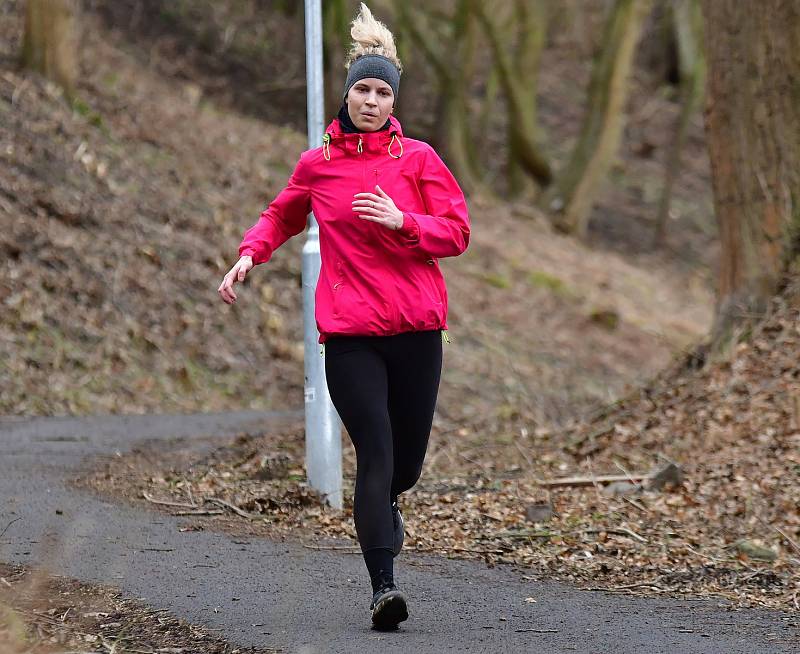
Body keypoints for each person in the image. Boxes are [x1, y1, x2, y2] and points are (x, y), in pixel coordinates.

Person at [217, 2, 470, 630]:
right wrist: (249, 254)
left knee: (404, 467)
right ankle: (383, 588)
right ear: (347, 94)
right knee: (375, 452)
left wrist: (404, 221)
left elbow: (458, 231)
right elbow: (280, 215)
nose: (372, 100)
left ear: (394, 102)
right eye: (363, 88)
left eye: (384, 91)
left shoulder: (419, 160)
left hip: (416, 332)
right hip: (351, 334)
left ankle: (387, 511)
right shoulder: (319, 166)